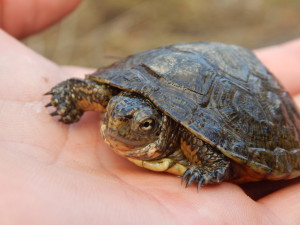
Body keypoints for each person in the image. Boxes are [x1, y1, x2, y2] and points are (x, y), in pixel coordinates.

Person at [0, 1, 299, 224]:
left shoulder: (183, 134)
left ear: (158, 128)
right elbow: (93, 90)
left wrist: (210, 165)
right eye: (115, 114)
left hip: (239, 94)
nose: (121, 125)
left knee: (197, 136)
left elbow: (214, 153)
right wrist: (70, 98)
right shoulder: (114, 100)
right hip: (174, 63)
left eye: (143, 125)